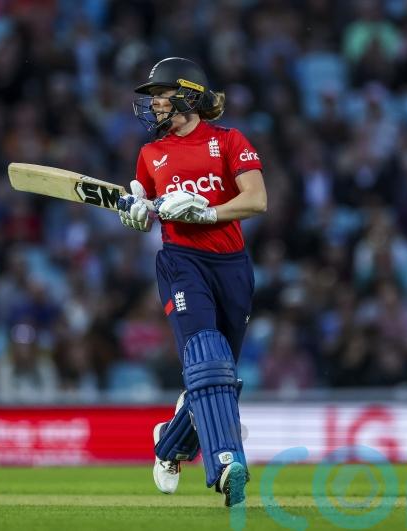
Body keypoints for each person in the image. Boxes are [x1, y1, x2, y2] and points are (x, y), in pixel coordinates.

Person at [118, 57, 267, 507]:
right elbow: (146, 212)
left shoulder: (229, 141)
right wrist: (137, 212)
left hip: (232, 264)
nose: (155, 105)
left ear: (187, 95)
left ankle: (170, 443)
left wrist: (207, 212)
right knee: (208, 359)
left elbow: (257, 200)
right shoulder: (150, 154)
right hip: (182, 261)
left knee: (219, 374)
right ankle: (226, 466)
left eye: (161, 95)